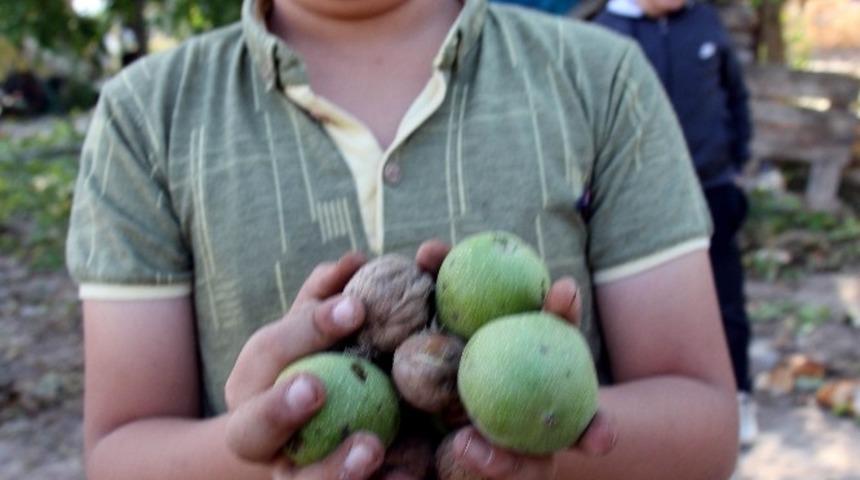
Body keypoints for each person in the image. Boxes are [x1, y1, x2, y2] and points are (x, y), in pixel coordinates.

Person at [66, 0, 740, 478]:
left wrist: (536, 434)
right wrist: (256, 451)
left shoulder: (600, 78)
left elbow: (704, 430)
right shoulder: (146, 115)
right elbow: (120, 453)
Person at [593, 0, 758, 447]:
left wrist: (737, 159)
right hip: (639, 204)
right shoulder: (603, 34)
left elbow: (735, 92)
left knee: (727, 301)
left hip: (713, 188)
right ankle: (655, 422)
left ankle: (740, 397)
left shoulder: (704, 21)